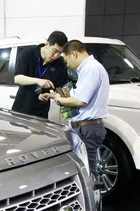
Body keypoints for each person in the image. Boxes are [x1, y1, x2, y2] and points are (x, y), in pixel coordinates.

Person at [43, 39, 109, 185]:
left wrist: (59, 100)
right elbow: (76, 95)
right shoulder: (90, 69)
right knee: (87, 173)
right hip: (87, 127)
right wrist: (55, 95)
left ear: (74, 54)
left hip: (88, 128)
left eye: (66, 60)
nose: (67, 65)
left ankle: (91, 206)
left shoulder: (91, 69)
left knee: (87, 176)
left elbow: (79, 100)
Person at [11, 31, 69, 119]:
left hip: (42, 113)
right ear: (47, 44)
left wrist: (50, 95)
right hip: (21, 110)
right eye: (54, 51)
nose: (56, 55)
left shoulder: (60, 64)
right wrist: (38, 81)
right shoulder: (28, 53)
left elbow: (62, 90)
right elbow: (17, 78)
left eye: (60, 53)